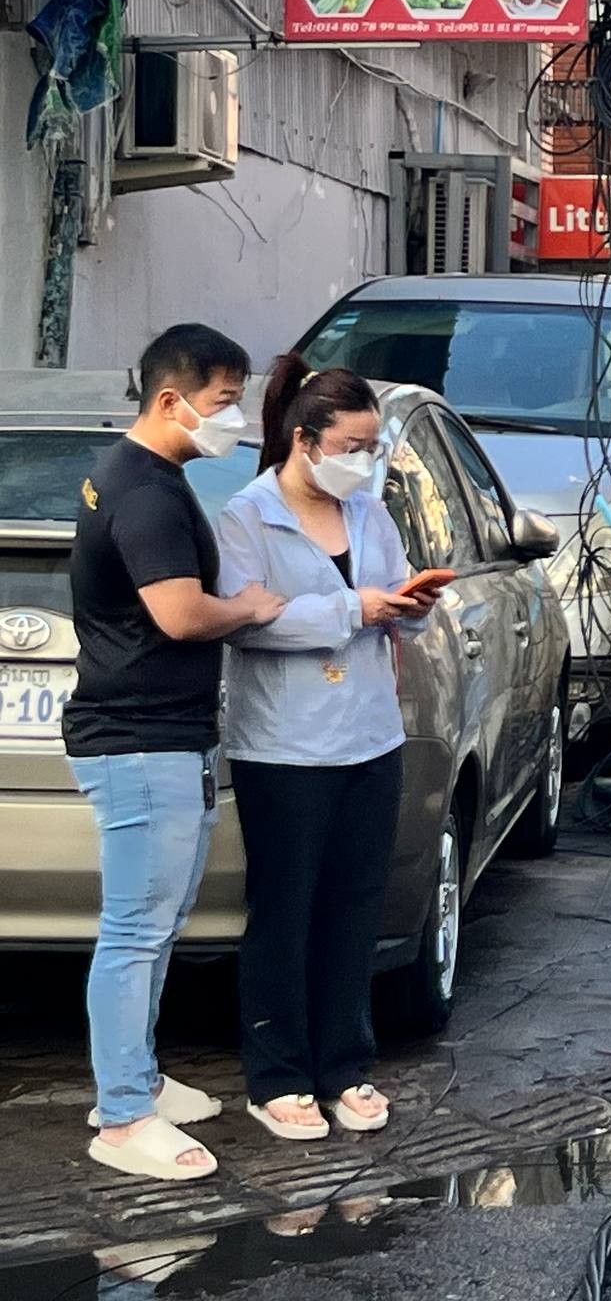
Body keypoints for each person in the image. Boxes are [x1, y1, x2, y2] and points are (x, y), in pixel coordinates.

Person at [65, 325, 287, 1184]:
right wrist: (251, 607)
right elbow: (181, 615)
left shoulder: (135, 476)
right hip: (140, 740)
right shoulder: (146, 493)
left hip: (162, 735)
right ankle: (123, 1116)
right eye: (225, 401)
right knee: (135, 929)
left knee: (156, 923)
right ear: (171, 400)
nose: (234, 418)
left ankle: (140, 1080)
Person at [215, 359, 438, 1144]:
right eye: (351, 446)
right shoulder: (248, 516)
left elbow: (396, 600)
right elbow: (245, 621)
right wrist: (350, 609)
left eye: (372, 446)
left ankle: (346, 1064)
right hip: (284, 745)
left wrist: (409, 604)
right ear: (304, 441)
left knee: (354, 905)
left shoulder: (370, 511)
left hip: (369, 737)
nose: (363, 460)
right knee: (285, 909)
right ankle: (277, 1075)